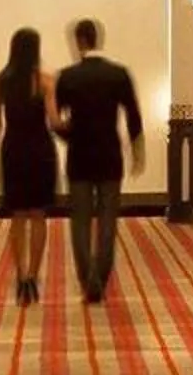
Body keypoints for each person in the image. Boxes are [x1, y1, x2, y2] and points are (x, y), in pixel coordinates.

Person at [50, 16, 144, 304]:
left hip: (79, 157)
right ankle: (99, 279)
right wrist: (137, 151)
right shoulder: (118, 74)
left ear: (79, 41)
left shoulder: (67, 76)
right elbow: (133, 114)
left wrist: (70, 137)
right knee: (107, 221)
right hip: (109, 156)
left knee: (79, 221)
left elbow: (58, 122)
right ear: (97, 39)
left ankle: (86, 277)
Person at [0, 26, 58, 306]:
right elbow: (54, 121)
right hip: (40, 149)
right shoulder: (44, 81)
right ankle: (32, 275)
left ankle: (19, 274)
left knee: (17, 216)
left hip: (14, 148)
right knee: (38, 215)